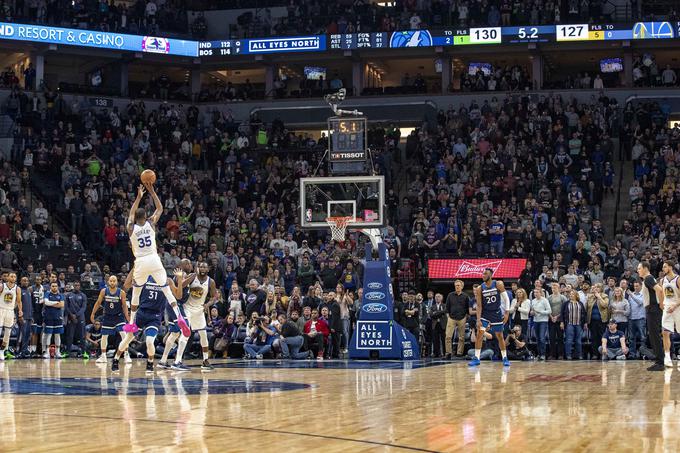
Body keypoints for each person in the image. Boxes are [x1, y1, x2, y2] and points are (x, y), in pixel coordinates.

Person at [123, 183, 188, 366]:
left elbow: (131, 214)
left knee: (136, 291)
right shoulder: (151, 223)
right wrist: (151, 191)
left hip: (140, 261)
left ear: (136, 218)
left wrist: (138, 197)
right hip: (154, 259)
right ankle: (179, 316)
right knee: (166, 289)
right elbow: (160, 207)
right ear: (147, 217)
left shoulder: (131, 227)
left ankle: (132, 322)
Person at [111, 268, 184, 373]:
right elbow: (126, 286)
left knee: (150, 341)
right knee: (128, 338)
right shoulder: (144, 278)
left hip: (155, 316)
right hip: (141, 313)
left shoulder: (167, 280)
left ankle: (150, 362)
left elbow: (179, 296)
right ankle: (116, 359)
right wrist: (134, 268)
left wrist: (180, 279)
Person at [177, 262, 219, 371]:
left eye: (205, 266)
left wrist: (208, 305)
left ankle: (205, 361)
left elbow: (215, 296)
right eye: (201, 266)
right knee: (186, 334)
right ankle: (178, 360)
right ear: (198, 268)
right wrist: (184, 278)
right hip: (188, 308)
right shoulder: (193, 276)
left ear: (208, 269)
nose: (203, 268)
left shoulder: (211, 281)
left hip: (199, 309)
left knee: (204, 335)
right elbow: (180, 286)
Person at [469, 268, 510, 367]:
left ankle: (505, 358)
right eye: (482, 274)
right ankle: (476, 358)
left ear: (491, 275)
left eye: (485, 274)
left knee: (499, 336)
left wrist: (507, 313)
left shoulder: (498, 284)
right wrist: (478, 319)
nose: (483, 275)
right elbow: (479, 305)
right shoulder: (480, 288)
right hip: (485, 315)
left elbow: (506, 299)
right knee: (480, 334)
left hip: (496, 314)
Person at [159, 258, 193, 370]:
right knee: (186, 331)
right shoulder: (182, 275)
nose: (191, 265)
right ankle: (177, 361)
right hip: (175, 305)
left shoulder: (183, 275)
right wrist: (194, 275)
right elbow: (181, 286)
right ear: (183, 265)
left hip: (172, 305)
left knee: (174, 333)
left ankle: (163, 361)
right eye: (188, 263)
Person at [90, 275, 130, 363]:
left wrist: (128, 317)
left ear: (117, 282)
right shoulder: (104, 291)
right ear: (108, 282)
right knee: (104, 336)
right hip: (108, 316)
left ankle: (127, 354)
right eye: (111, 281)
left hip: (119, 316)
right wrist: (93, 313)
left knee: (123, 335)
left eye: (114, 281)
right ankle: (103, 356)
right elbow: (98, 302)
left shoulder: (121, 292)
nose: (112, 282)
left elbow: (124, 306)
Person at [638, 261, 664, 371]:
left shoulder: (648, 278)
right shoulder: (649, 279)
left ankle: (660, 362)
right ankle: (659, 360)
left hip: (653, 309)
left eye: (639, 268)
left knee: (655, 336)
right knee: (653, 336)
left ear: (645, 268)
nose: (638, 270)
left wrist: (661, 304)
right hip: (652, 309)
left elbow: (660, 290)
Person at [660, 260, 680, 368]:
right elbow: (661, 294)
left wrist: (675, 305)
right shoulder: (662, 280)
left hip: (678, 308)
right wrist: (662, 304)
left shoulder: (678, 279)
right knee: (665, 333)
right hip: (667, 309)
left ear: (671, 267)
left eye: (665, 267)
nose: (663, 269)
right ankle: (667, 357)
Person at [0, 272, 21, 360]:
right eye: (11, 276)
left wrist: (20, 310)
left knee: (7, 333)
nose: (13, 278)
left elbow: (19, 301)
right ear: (7, 277)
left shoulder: (17, 288)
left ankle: (2, 351)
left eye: (15, 277)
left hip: (10, 311)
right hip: (1, 309)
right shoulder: (2, 286)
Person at [445, 280, 469, 358]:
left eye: (458, 285)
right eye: (456, 285)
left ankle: (459, 353)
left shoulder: (465, 296)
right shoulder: (450, 295)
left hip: (462, 318)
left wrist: (465, 316)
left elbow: (467, 307)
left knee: (461, 337)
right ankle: (448, 353)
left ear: (462, 287)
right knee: (448, 336)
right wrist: (448, 316)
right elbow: (447, 307)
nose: (457, 287)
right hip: (451, 318)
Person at [561, 290, 586, 360]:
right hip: (569, 324)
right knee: (569, 340)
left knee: (578, 340)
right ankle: (568, 355)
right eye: (570, 294)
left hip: (578, 324)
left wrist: (585, 323)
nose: (571, 295)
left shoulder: (580, 303)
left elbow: (584, 313)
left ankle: (579, 355)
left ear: (576, 295)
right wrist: (562, 322)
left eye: (572, 294)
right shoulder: (566, 303)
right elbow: (562, 313)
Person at [64, 282, 87, 357]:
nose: (77, 286)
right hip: (71, 317)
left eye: (78, 285)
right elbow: (66, 307)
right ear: (73, 286)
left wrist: (76, 315)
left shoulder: (83, 295)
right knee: (69, 335)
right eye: (75, 285)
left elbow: (83, 308)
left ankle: (84, 352)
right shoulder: (68, 295)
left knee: (82, 335)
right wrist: (71, 315)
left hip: (80, 318)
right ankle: (67, 352)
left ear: (80, 286)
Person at [42, 282, 64, 359]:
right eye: (53, 286)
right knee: (49, 334)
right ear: (50, 287)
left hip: (58, 317)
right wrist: (56, 303)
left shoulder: (61, 295)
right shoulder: (47, 293)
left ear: (58, 287)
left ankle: (58, 352)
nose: (54, 287)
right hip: (49, 317)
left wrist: (51, 304)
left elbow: (62, 305)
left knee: (57, 335)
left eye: (55, 286)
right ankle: (47, 352)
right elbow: (46, 303)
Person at [530, 287, 551, 361]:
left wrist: (540, 311)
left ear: (541, 293)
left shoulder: (545, 300)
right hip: (536, 320)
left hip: (543, 321)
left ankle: (543, 354)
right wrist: (532, 313)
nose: (535, 294)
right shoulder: (533, 301)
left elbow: (549, 311)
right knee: (538, 338)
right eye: (534, 292)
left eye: (537, 292)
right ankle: (539, 354)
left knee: (542, 338)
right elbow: (532, 311)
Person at [29, 276, 44, 357]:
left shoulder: (43, 289)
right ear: (35, 280)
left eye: (39, 279)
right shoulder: (31, 288)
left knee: (41, 332)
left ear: (41, 280)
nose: (38, 280)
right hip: (34, 313)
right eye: (37, 279)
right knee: (34, 332)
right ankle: (33, 350)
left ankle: (40, 350)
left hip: (41, 313)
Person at [429, 293, 447, 358]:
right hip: (435, 325)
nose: (437, 298)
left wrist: (436, 313)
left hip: (443, 324)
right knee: (435, 340)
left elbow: (445, 311)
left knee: (443, 339)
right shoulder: (432, 306)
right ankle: (436, 353)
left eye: (439, 297)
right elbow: (431, 315)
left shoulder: (445, 305)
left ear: (441, 298)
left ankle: (445, 353)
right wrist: (440, 312)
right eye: (436, 297)